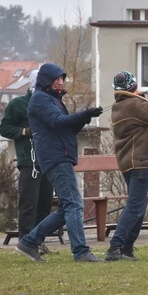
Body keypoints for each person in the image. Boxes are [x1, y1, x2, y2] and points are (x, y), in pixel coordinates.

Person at [15, 63, 104, 263]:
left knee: (67, 207)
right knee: (74, 204)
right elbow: (57, 122)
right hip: (56, 157)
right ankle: (81, 252)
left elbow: (67, 128)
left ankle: (29, 242)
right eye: (57, 79)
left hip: (59, 156)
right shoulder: (40, 100)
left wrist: (85, 117)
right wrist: (84, 114)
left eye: (62, 78)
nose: (61, 82)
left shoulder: (53, 100)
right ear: (47, 80)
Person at [105, 71, 148, 261]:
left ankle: (127, 249)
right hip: (141, 162)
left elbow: (143, 113)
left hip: (129, 163)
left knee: (139, 206)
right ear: (133, 86)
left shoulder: (120, 105)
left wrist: (141, 96)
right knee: (135, 206)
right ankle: (115, 248)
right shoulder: (135, 105)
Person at [0, 70, 54, 253]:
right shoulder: (18, 104)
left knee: (45, 203)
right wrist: (24, 132)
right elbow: (5, 128)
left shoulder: (50, 103)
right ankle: (25, 241)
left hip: (47, 159)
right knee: (29, 202)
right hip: (28, 159)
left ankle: (37, 240)